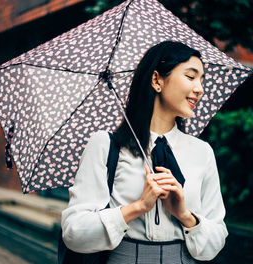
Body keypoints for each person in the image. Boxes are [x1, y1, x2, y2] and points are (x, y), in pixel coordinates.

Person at [61, 41, 228, 263]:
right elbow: (74, 233)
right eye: (191, 77)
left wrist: (185, 215)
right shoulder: (106, 145)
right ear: (157, 80)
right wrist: (138, 207)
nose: (200, 89)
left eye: (202, 80)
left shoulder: (201, 152)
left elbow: (217, 238)